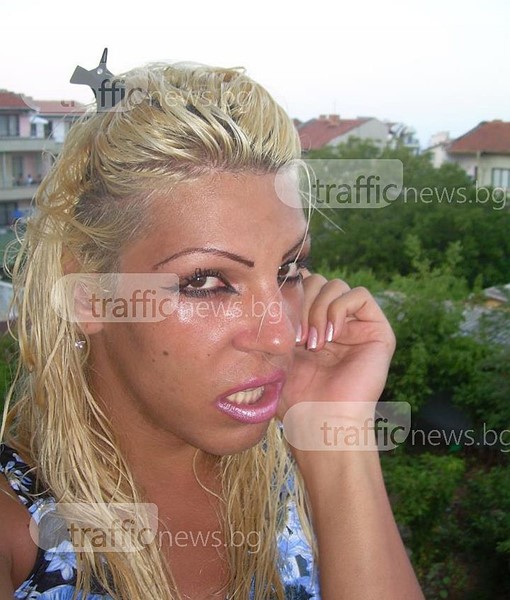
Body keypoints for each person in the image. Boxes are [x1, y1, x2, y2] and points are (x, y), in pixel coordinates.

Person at [0, 59, 425, 600]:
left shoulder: (296, 481)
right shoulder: (18, 532)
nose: (279, 336)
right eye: (205, 282)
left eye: (289, 270)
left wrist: (334, 437)